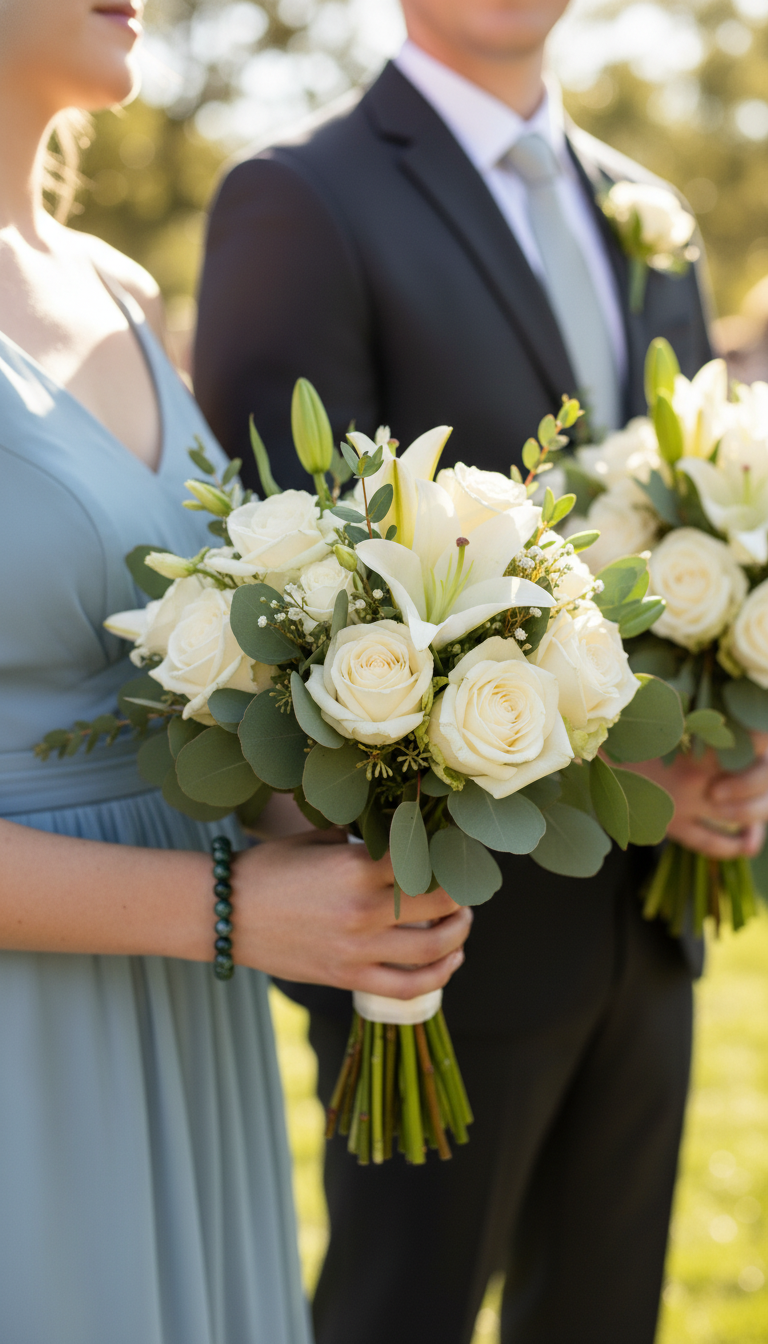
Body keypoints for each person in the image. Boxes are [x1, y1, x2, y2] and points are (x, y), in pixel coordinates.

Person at [195, 3, 768, 1342]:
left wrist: (730, 714)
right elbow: (288, 616)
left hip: (648, 917)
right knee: (407, 1313)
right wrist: (616, 766)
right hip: (441, 930)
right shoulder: (299, 200)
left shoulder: (645, 210)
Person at [0, 4, 473, 1343]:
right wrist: (226, 911)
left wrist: (340, 796)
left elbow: (171, 681)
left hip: (181, 1020)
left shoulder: (119, 289)